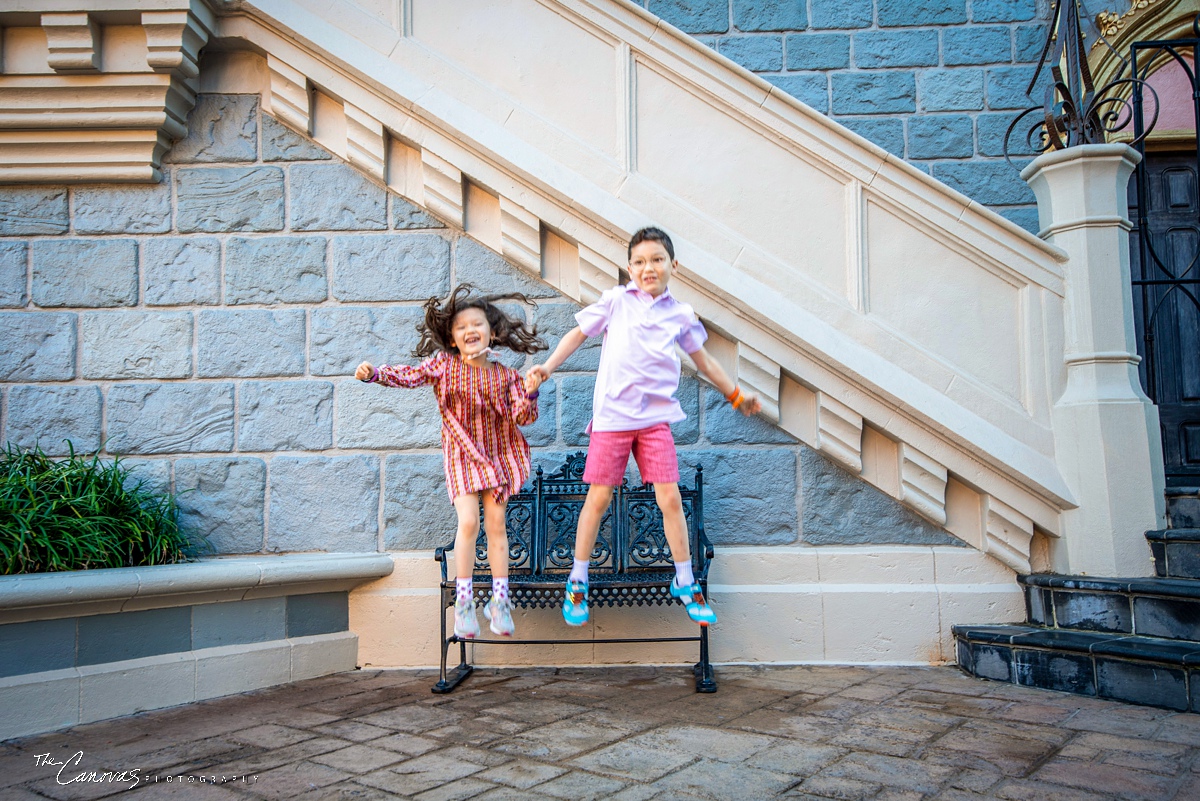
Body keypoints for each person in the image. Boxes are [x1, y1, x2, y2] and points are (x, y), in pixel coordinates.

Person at [525, 226, 761, 628]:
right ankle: (578, 580)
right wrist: (547, 367)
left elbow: (703, 361)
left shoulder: (680, 315)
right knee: (597, 499)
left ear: (673, 266)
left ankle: (685, 581)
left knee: (669, 498)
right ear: (629, 268)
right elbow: (578, 334)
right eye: (638, 261)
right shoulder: (617, 301)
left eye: (656, 260)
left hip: (655, 422)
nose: (647, 268)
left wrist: (736, 395)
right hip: (613, 420)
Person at [356, 284, 544, 640]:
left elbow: (523, 417)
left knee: (497, 525)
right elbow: (410, 376)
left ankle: (500, 602)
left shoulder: (505, 376)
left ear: (492, 332)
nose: (470, 330)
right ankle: (464, 602)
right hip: (461, 452)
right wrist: (376, 374)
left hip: (500, 453)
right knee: (469, 522)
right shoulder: (444, 365)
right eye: (461, 327)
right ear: (452, 339)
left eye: (477, 324)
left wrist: (531, 390)